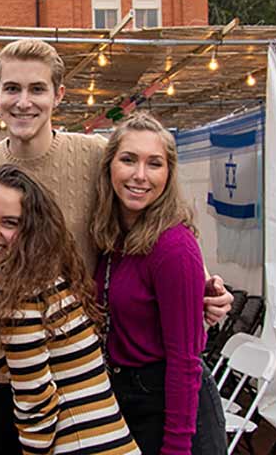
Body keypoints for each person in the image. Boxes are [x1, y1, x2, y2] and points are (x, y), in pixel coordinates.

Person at [0, 38, 233, 454]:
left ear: (59, 95)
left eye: (37, 89)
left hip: (84, 379)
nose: (23, 102)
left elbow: (153, 215)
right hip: (2, 376)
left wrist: (200, 284)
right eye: (12, 89)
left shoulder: (96, 157)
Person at [0, 164, 140, 455]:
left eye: (9, 223)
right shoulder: (46, 279)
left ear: (31, 230)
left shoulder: (19, 299)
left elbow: (37, 404)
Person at [90, 113, 226, 454]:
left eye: (154, 164)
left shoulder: (173, 246)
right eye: (128, 160)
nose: (140, 175)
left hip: (172, 408)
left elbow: (185, 360)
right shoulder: (112, 236)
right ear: (109, 167)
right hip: (126, 399)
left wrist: (177, 446)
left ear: (168, 173)